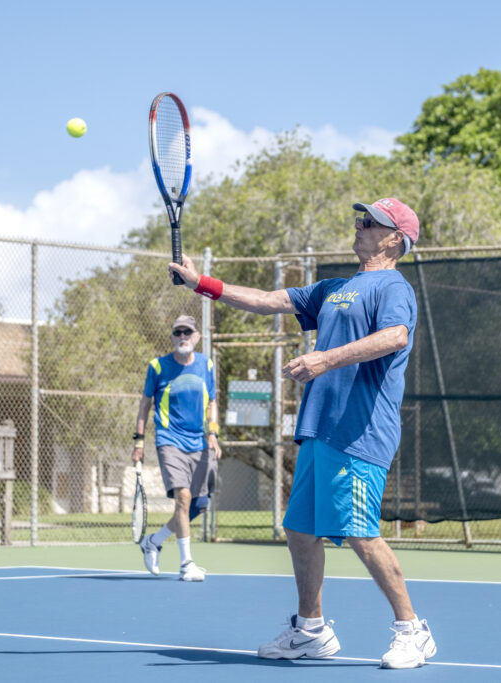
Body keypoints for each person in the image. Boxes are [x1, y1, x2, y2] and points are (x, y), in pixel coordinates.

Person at [168, 198, 436, 669]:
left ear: (395, 238)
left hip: (360, 432)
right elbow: (267, 300)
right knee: (299, 530)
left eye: (370, 222)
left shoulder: (393, 287)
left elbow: (395, 337)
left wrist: (323, 359)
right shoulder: (335, 288)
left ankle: (412, 630)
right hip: (319, 430)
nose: (359, 225)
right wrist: (201, 283)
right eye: (360, 218)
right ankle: (311, 629)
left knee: (360, 532)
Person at [132, 314, 221, 582]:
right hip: (169, 440)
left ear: (197, 336)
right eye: (177, 332)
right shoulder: (157, 367)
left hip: (200, 443)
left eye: (187, 332)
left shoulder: (206, 364)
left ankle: (154, 541)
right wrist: (138, 440)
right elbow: (145, 403)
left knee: (197, 506)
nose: (182, 337)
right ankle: (187, 564)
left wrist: (213, 434)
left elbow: (212, 402)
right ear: (172, 337)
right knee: (182, 498)